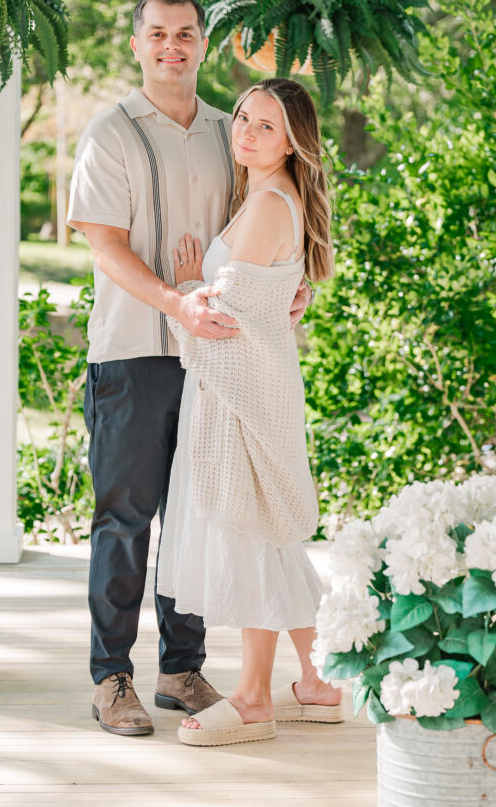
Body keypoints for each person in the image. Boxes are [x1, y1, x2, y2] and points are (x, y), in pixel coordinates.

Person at [66, 0, 312, 737]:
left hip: (216, 364)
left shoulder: (228, 128)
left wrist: (281, 284)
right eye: (158, 33)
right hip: (136, 352)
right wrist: (176, 305)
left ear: (203, 44)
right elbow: (104, 245)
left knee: (200, 517)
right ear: (136, 43)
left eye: (186, 33)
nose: (172, 45)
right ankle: (112, 678)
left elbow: (260, 220)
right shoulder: (109, 134)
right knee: (125, 520)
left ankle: (182, 668)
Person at [157, 77, 343, 747]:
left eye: (265, 125)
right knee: (270, 531)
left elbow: (221, 326)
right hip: (259, 388)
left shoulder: (267, 203)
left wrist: (183, 291)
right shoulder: (267, 197)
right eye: (241, 117)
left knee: (250, 532)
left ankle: (254, 697)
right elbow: (255, 306)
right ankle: (315, 683)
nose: (245, 131)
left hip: (243, 394)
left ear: (292, 140)